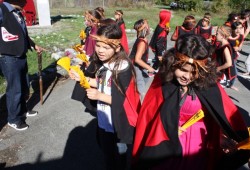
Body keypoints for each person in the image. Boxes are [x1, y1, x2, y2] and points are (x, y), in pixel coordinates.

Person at [132, 34, 250, 170]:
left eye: (195, 72)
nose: (187, 77)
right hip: (165, 141)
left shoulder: (209, 86)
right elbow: (150, 115)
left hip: (197, 143)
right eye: (182, 70)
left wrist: (220, 138)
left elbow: (216, 118)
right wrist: (168, 129)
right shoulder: (164, 81)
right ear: (173, 63)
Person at [70, 24, 141, 170]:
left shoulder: (123, 68)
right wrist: (82, 78)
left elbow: (126, 101)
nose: (100, 50)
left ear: (117, 48)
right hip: (104, 119)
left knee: (119, 156)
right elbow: (101, 82)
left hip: (117, 122)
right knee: (107, 154)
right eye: (98, 45)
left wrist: (99, 96)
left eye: (106, 47)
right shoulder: (103, 63)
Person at [0, 0, 43, 131]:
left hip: (21, 55)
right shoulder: (2, 10)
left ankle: (23, 110)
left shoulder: (18, 13)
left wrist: (34, 44)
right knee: (15, 89)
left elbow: (23, 34)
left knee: (24, 85)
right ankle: (13, 119)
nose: (26, 2)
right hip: (9, 57)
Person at [129, 19, 155, 100]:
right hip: (135, 66)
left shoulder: (143, 39)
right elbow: (137, 59)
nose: (148, 27)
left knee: (144, 80)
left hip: (139, 66)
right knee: (141, 91)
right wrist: (149, 68)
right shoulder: (142, 42)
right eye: (147, 25)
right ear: (144, 29)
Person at [227, 21, 244, 91]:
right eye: (236, 28)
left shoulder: (240, 36)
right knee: (232, 71)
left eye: (240, 28)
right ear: (232, 29)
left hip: (234, 57)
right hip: (226, 56)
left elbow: (240, 47)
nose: (238, 30)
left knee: (234, 72)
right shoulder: (228, 37)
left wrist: (238, 49)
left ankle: (230, 84)